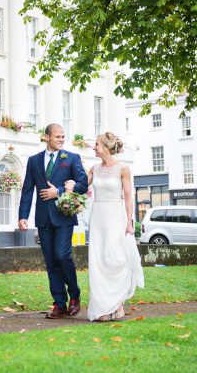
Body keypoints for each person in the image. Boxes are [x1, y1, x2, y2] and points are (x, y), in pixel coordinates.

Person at [68, 132, 144, 322]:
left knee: (115, 258)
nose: (93, 147)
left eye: (96, 144)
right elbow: (82, 188)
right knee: (99, 260)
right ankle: (103, 307)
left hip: (116, 217)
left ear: (107, 147)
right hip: (98, 217)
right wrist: (70, 187)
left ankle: (117, 303)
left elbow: (128, 197)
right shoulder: (93, 169)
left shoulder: (123, 169)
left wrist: (129, 222)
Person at [19, 123, 88, 319]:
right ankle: (59, 303)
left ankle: (74, 295)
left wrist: (58, 191)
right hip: (43, 218)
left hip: (64, 216)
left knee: (62, 255)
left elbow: (82, 185)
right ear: (47, 137)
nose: (61, 140)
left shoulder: (72, 158)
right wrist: (23, 216)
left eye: (63, 137)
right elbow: (27, 190)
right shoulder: (34, 161)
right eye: (57, 136)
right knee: (50, 261)